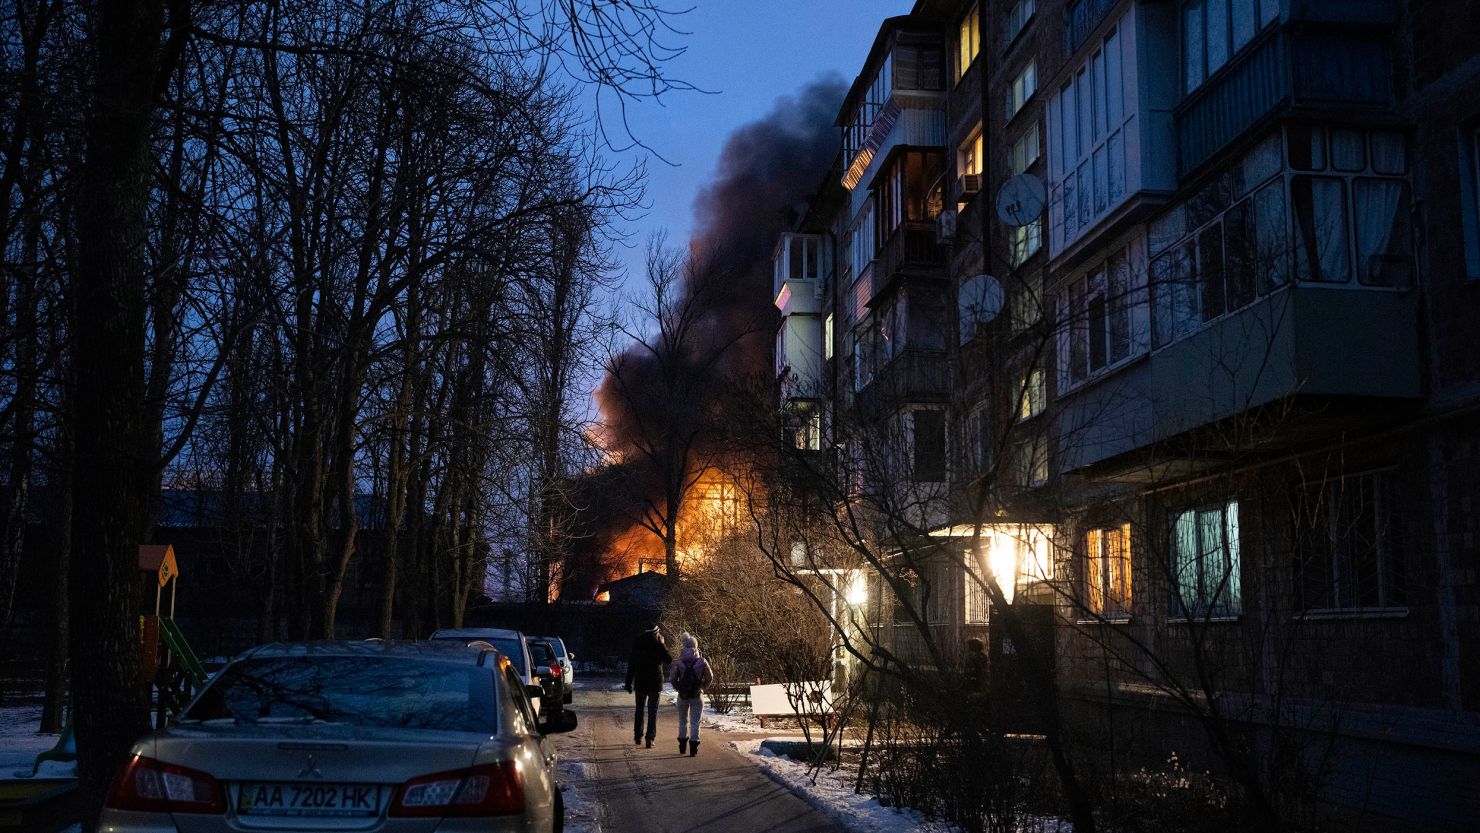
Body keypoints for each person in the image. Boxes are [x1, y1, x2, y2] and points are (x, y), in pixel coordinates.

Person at [624, 623, 671, 748]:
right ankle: (649, 738)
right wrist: (662, 644)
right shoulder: (658, 643)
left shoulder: (638, 642)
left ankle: (638, 736)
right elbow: (668, 659)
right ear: (656, 632)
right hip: (655, 683)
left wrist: (628, 682)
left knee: (639, 710)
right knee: (652, 712)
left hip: (640, 682)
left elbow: (632, 664)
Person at [668, 631, 714, 757]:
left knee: (682, 721)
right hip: (697, 695)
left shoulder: (678, 662)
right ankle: (693, 748)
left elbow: (672, 678)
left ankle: (682, 746)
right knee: (695, 722)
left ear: (684, 646)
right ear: (696, 646)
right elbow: (710, 677)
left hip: (682, 695)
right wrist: (703, 688)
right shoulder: (702, 661)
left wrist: (678, 688)